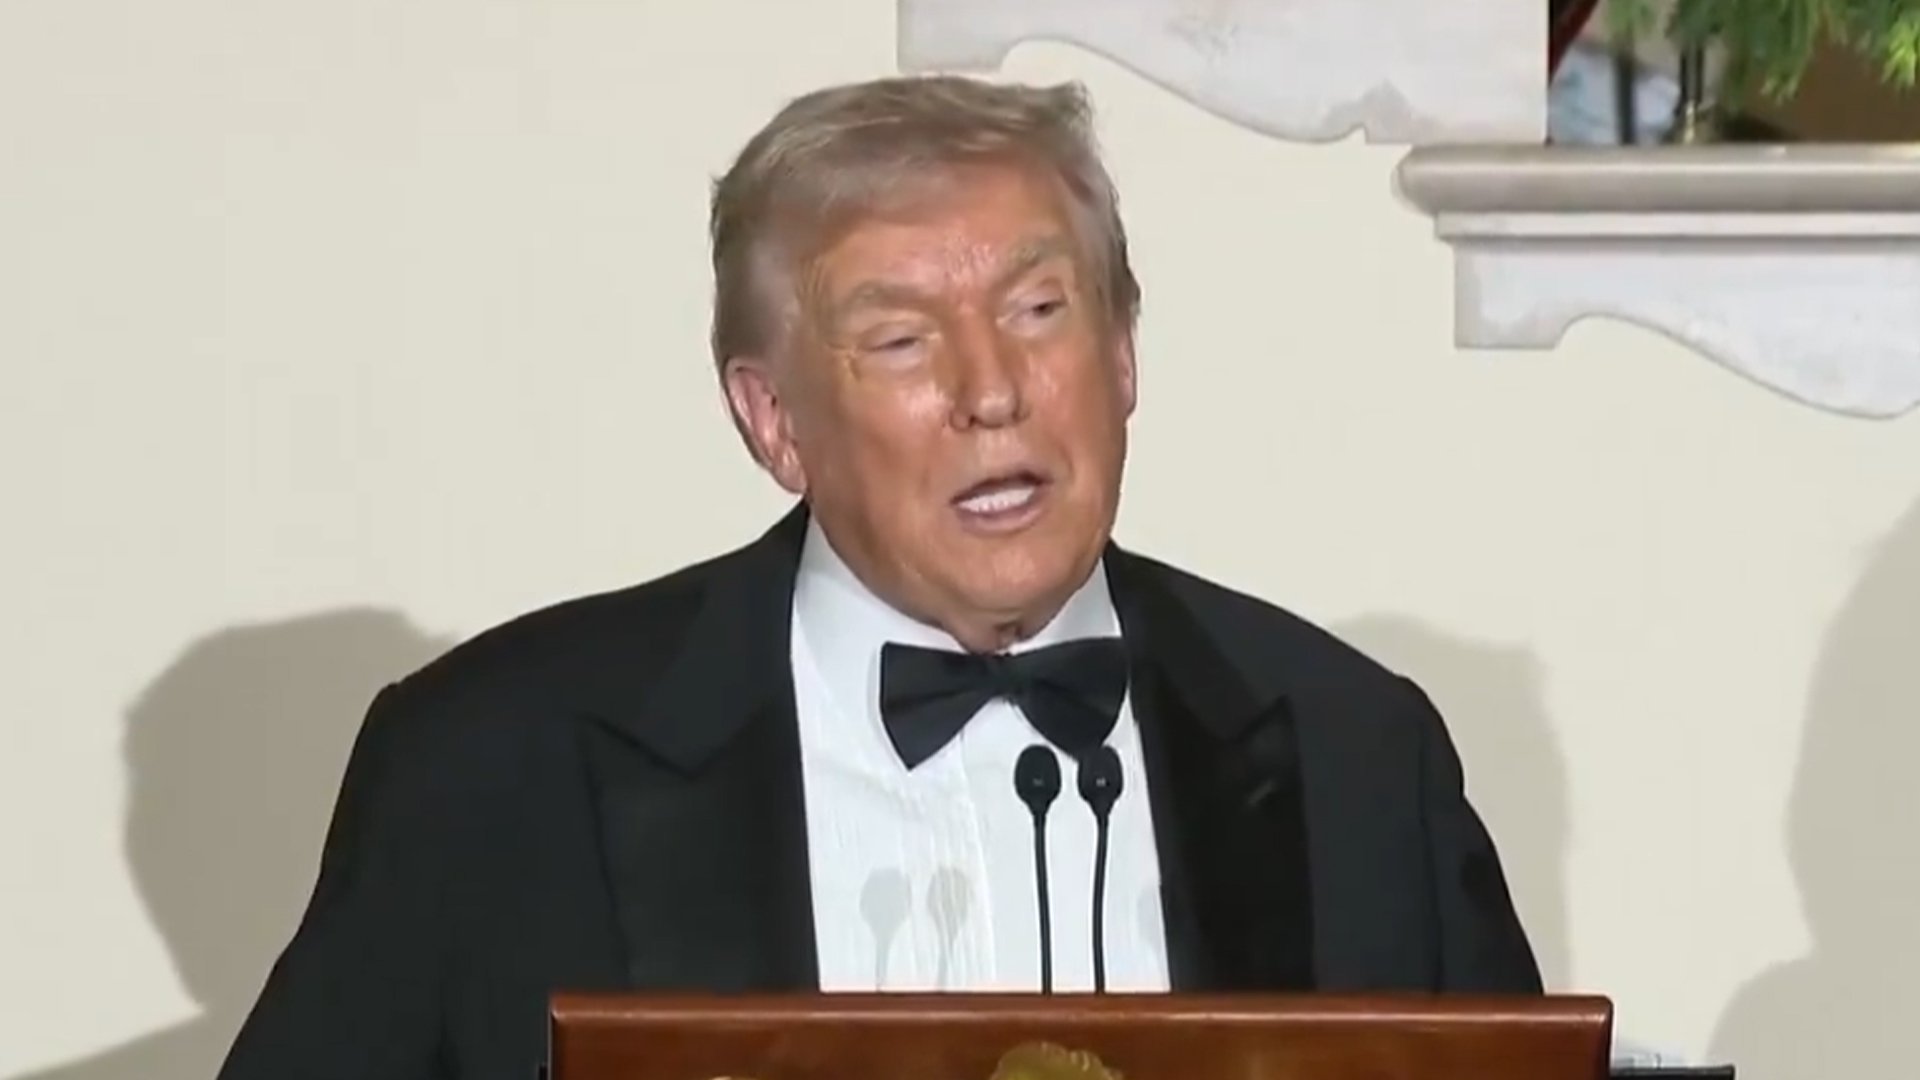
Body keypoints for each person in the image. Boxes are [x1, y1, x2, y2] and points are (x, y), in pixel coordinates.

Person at [216, 74, 1540, 1080]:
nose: (992, 390)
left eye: (1039, 310)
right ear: (773, 422)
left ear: (1124, 353)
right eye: (901, 340)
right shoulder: (496, 768)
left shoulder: (1360, 758)